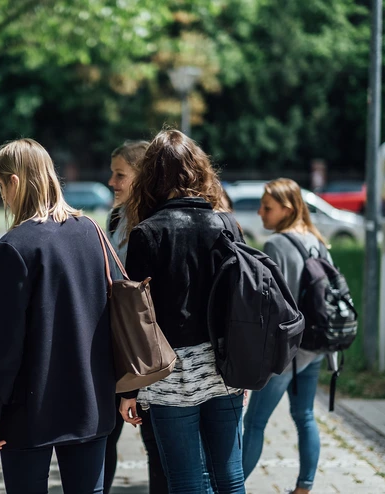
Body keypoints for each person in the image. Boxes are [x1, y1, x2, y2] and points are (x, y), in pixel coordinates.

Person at [0, 138, 116, 494]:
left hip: (29, 405)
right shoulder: (93, 232)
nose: (2, 196)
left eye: (0, 186)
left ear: (15, 182)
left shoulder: (15, 246)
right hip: (90, 398)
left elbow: (3, 341)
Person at [119, 129, 245, 493]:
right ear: (199, 171)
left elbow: (138, 318)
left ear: (151, 177)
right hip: (224, 364)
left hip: (167, 371)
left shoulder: (146, 233)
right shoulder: (227, 225)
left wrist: (131, 389)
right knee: (229, 474)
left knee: (186, 478)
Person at [242, 178, 330, 494]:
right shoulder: (316, 239)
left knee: (254, 423)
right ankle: (304, 486)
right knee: (304, 415)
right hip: (315, 344)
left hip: (288, 349)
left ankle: (231, 487)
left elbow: (271, 301)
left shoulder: (276, 245)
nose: (261, 213)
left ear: (287, 209)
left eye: (267, 208)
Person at [104, 140, 167, 494]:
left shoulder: (156, 221)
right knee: (104, 435)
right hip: (115, 342)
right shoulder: (115, 216)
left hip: (149, 345)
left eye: (120, 174)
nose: (111, 182)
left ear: (142, 175)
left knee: (156, 441)